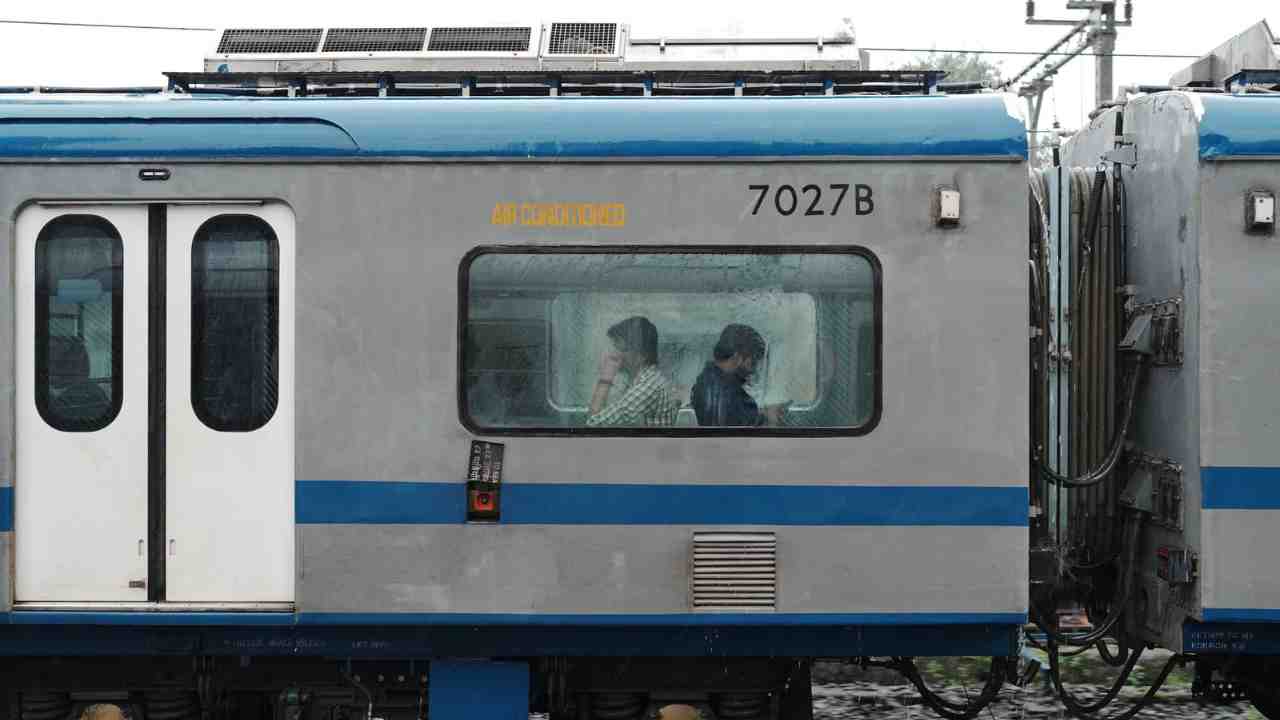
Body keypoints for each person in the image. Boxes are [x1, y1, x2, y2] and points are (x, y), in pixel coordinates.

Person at [587, 316, 677, 427]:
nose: (614, 354)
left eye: (621, 349)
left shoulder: (648, 386)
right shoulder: (642, 379)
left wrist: (606, 378)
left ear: (642, 355)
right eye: (615, 347)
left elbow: (593, 424)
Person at [691, 324, 786, 427]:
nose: (753, 370)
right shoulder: (726, 393)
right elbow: (743, 433)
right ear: (737, 357)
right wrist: (771, 419)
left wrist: (761, 413)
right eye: (752, 362)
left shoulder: (707, 382)